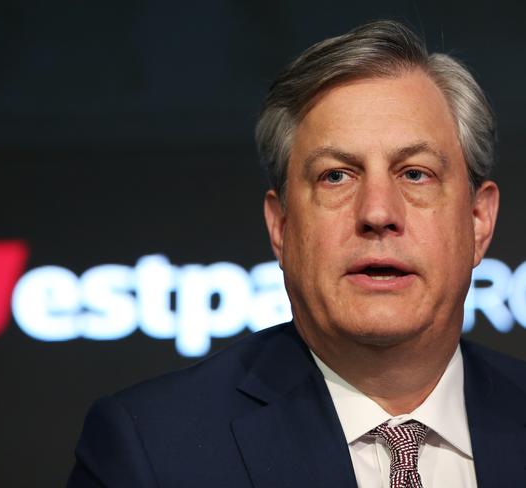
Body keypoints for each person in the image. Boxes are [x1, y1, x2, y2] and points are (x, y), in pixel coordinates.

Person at [67, 20, 526, 487]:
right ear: (281, 226)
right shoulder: (150, 452)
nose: (378, 212)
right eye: (336, 176)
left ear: (478, 219)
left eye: (415, 174)